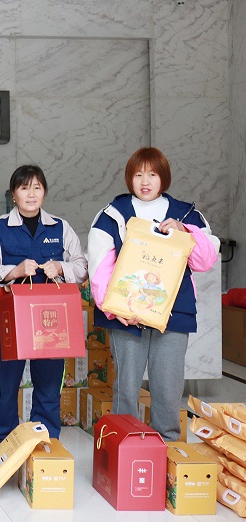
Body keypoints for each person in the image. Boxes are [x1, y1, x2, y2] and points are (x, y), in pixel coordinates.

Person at [88, 147, 218, 441]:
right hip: (125, 314)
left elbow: (206, 260)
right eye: (138, 175)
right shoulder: (112, 214)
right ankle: (124, 447)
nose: (145, 181)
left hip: (173, 311)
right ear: (129, 178)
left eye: (152, 174)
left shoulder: (186, 214)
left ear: (164, 178)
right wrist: (115, 309)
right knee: (126, 387)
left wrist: (185, 231)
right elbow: (99, 267)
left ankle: (168, 448)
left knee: (168, 387)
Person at [0, 165, 88, 449]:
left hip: (51, 324)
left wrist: (60, 267)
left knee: (49, 386)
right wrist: (13, 271)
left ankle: (44, 444)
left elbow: (82, 267)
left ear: (44, 192)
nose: (31, 194)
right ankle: (4, 445)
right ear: (13, 194)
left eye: (37, 187)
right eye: (24, 188)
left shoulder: (60, 228)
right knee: (4, 387)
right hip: (8, 324)